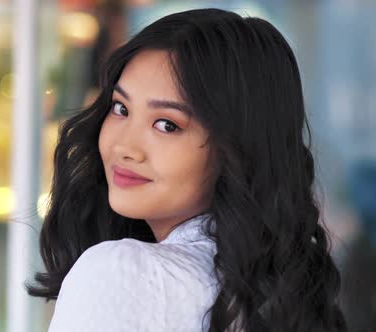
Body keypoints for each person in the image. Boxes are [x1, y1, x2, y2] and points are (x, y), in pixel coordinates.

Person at [26, 8, 347, 332]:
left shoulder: (123, 274)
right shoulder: (269, 293)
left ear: (236, 148)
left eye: (167, 125)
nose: (124, 147)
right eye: (121, 108)